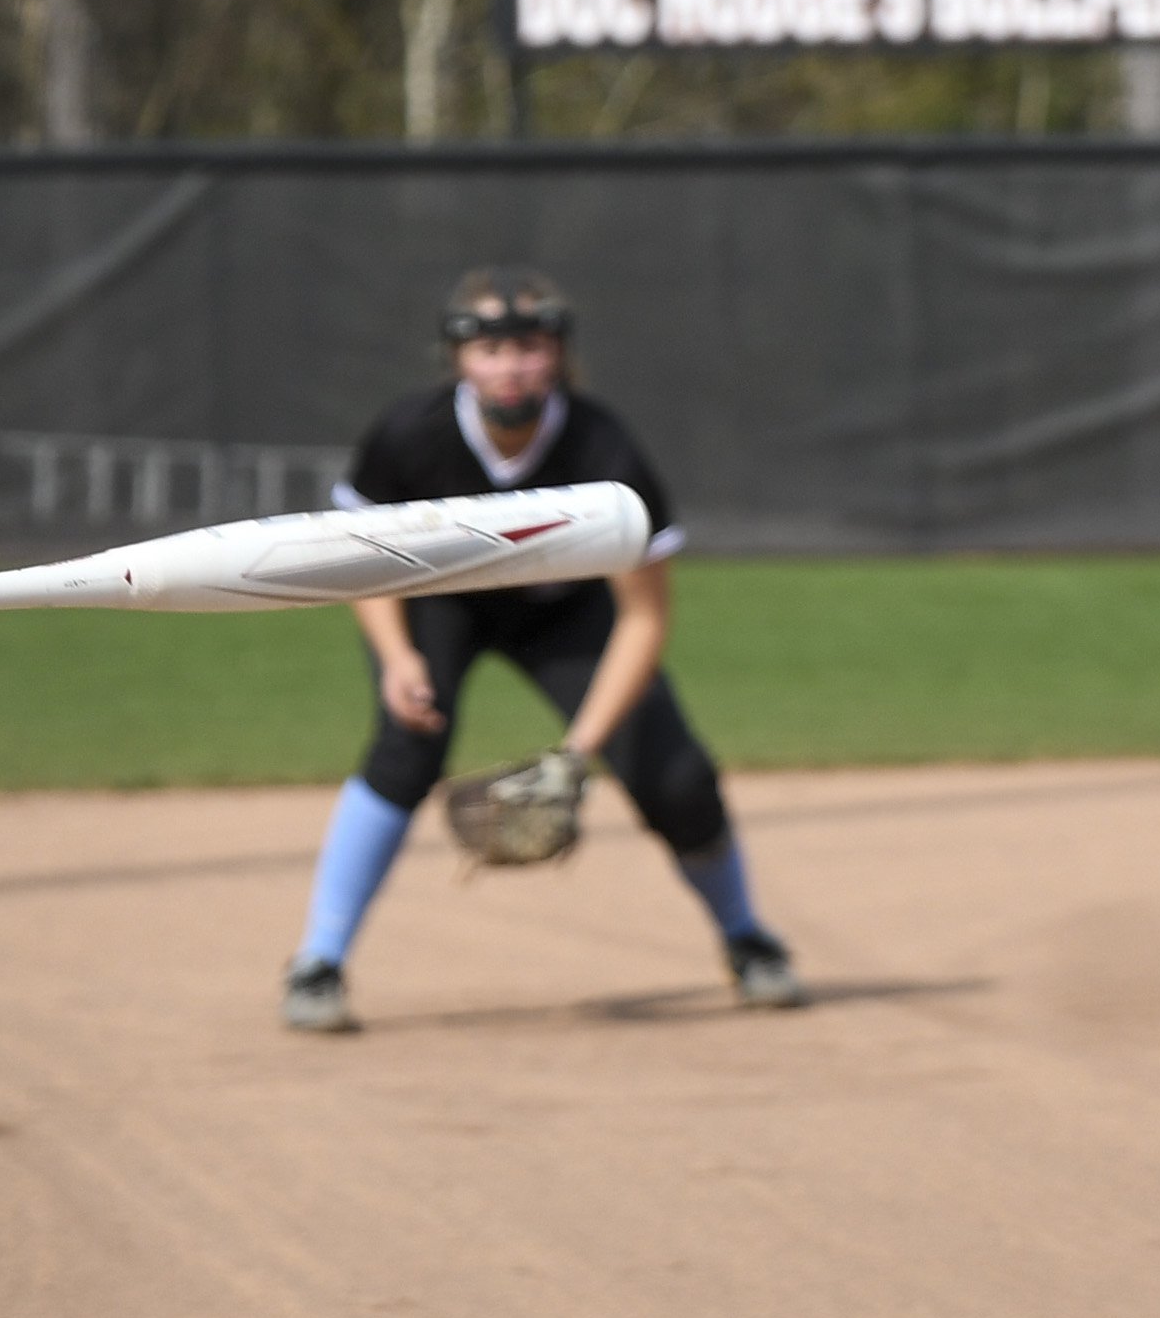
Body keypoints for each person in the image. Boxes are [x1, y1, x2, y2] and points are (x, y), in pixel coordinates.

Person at [277, 267, 798, 1035]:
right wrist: (399, 659)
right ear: (457, 359)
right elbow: (366, 562)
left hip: (565, 611)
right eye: (487, 348)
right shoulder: (410, 433)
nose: (509, 364)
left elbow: (643, 619)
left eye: (528, 346)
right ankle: (318, 962)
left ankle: (746, 937)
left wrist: (579, 755)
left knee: (674, 773)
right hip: (437, 602)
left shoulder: (604, 447)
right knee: (408, 743)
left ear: (557, 356)